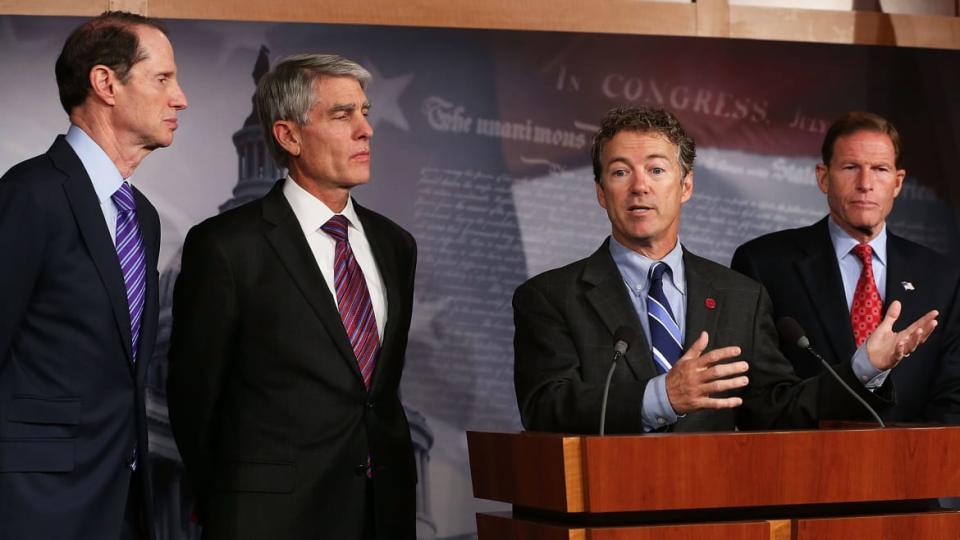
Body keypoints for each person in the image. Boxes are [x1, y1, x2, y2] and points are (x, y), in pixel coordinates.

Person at [513, 106, 937, 434]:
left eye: (657, 170)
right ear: (602, 193)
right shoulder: (551, 297)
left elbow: (780, 410)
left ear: (686, 187)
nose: (639, 186)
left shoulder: (740, 296)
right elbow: (546, 408)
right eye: (621, 172)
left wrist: (864, 368)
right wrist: (662, 397)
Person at [168, 54, 417, 540]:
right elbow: (194, 399)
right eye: (342, 115)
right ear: (288, 136)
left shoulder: (396, 245)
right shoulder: (225, 246)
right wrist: (229, 501)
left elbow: (375, 395)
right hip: (270, 519)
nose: (366, 129)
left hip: (382, 513)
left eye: (365, 111)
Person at [0, 11, 187, 540]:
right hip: (34, 506)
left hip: (122, 504)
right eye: (163, 78)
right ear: (106, 83)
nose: (180, 98)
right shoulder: (30, 194)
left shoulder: (142, 218)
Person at [732, 111, 960, 424]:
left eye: (880, 169)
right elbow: (761, 399)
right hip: (802, 462)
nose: (865, 184)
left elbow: (953, 398)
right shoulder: (763, 263)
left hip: (914, 464)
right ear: (823, 177)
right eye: (851, 167)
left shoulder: (943, 277)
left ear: (897, 182)